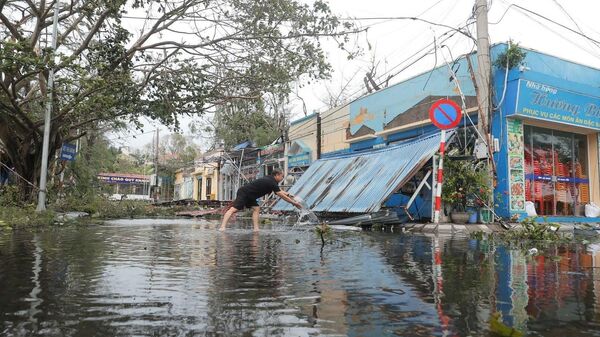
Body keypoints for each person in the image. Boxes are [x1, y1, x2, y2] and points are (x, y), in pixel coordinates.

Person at [219, 168, 302, 231]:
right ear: (277, 175)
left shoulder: (271, 180)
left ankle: (256, 229)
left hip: (250, 195)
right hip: (245, 192)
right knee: (233, 209)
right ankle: (222, 227)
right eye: (282, 176)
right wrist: (294, 203)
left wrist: (289, 194)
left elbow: (279, 191)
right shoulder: (271, 182)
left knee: (256, 208)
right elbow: (280, 194)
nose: (282, 178)